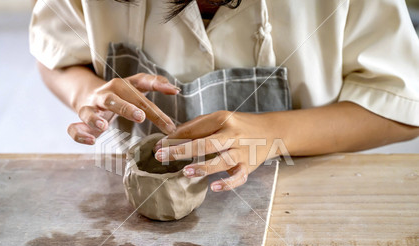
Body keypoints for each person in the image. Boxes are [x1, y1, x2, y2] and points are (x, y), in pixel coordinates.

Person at [30, 0, 419, 192]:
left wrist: (275, 132)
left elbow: (402, 106)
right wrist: (87, 92)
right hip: (131, 194)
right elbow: (55, 53)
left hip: (303, 192)